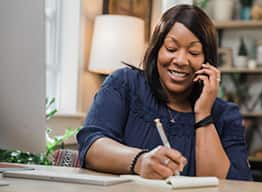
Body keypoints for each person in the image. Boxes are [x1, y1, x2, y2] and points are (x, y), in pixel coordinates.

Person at [77, 4, 252, 180]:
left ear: (207, 61)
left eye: (194, 52)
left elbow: (231, 185)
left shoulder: (226, 115)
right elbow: (91, 146)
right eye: (171, 48)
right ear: (156, 50)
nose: (181, 60)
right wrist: (140, 161)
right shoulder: (124, 84)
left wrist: (204, 114)